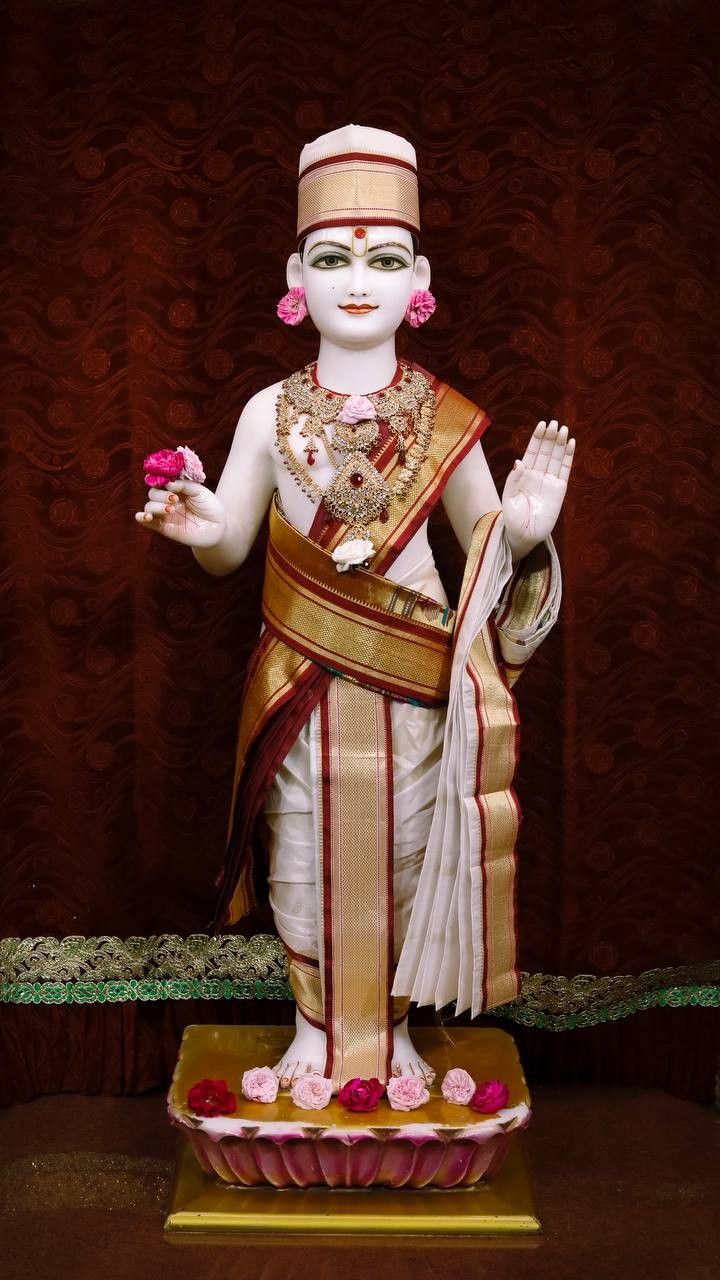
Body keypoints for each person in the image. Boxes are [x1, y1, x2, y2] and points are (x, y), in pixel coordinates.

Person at [136, 125, 574, 1090]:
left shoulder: (446, 418)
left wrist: (527, 535)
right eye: (333, 259)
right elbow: (232, 552)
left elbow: (488, 557)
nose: (357, 281)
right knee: (303, 855)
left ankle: (393, 1035)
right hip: (302, 679)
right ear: (298, 275)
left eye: (383, 258)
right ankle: (315, 1030)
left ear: (419, 273)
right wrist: (203, 525)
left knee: (408, 857)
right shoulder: (268, 411)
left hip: (413, 683)